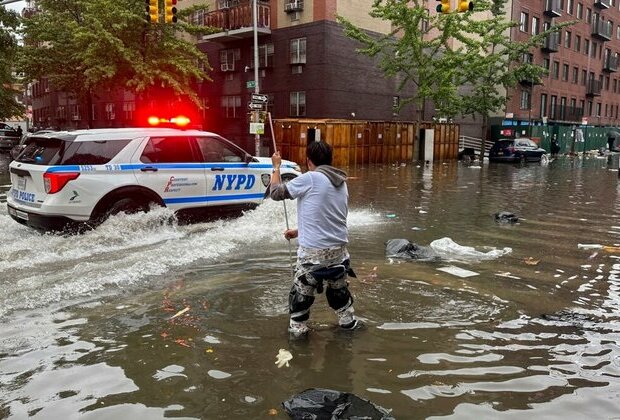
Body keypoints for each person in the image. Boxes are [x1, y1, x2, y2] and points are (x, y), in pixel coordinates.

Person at [270, 141, 359, 336]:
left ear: (309, 161)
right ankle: (348, 326)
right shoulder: (341, 182)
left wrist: (276, 167)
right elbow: (329, 216)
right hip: (339, 254)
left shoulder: (310, 178)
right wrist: (299, 231)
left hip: (313, 255)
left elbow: (275, 193)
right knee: (340, 295)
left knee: (300, 298)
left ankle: (299, 339)